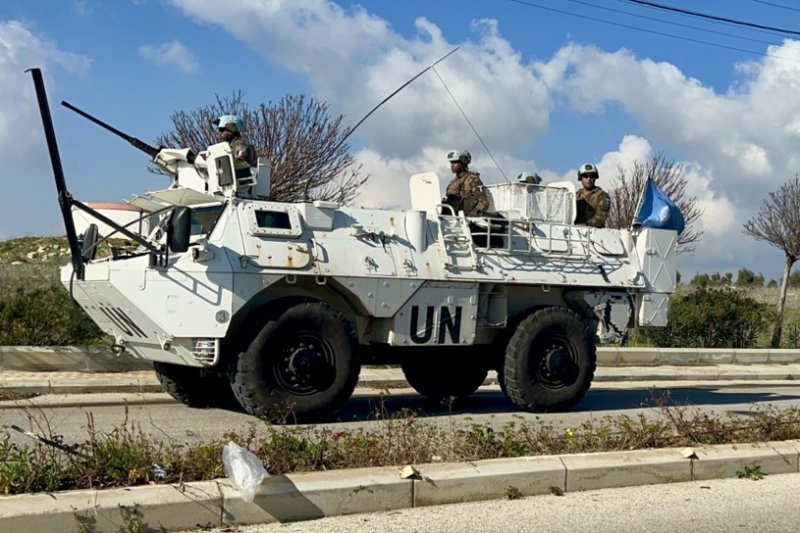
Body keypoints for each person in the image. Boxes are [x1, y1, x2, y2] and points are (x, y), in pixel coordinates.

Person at [443, 149, 488, 216]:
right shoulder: (452, 183)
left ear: (463, 163)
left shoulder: (473, 179)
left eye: (455, 162)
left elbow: (484, 202)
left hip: (465, 220)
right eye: (451, 163)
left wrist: (472, 215)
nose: (452, 165)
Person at [574, 163, 610, 228]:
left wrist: (586, 224)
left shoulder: (602, 195)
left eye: (591, 176)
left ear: (595, 178)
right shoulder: (575, 196)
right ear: (580, 178)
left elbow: (600, 217)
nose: (589, 179)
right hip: (575, 231)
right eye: (585, 176)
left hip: (595, 233)